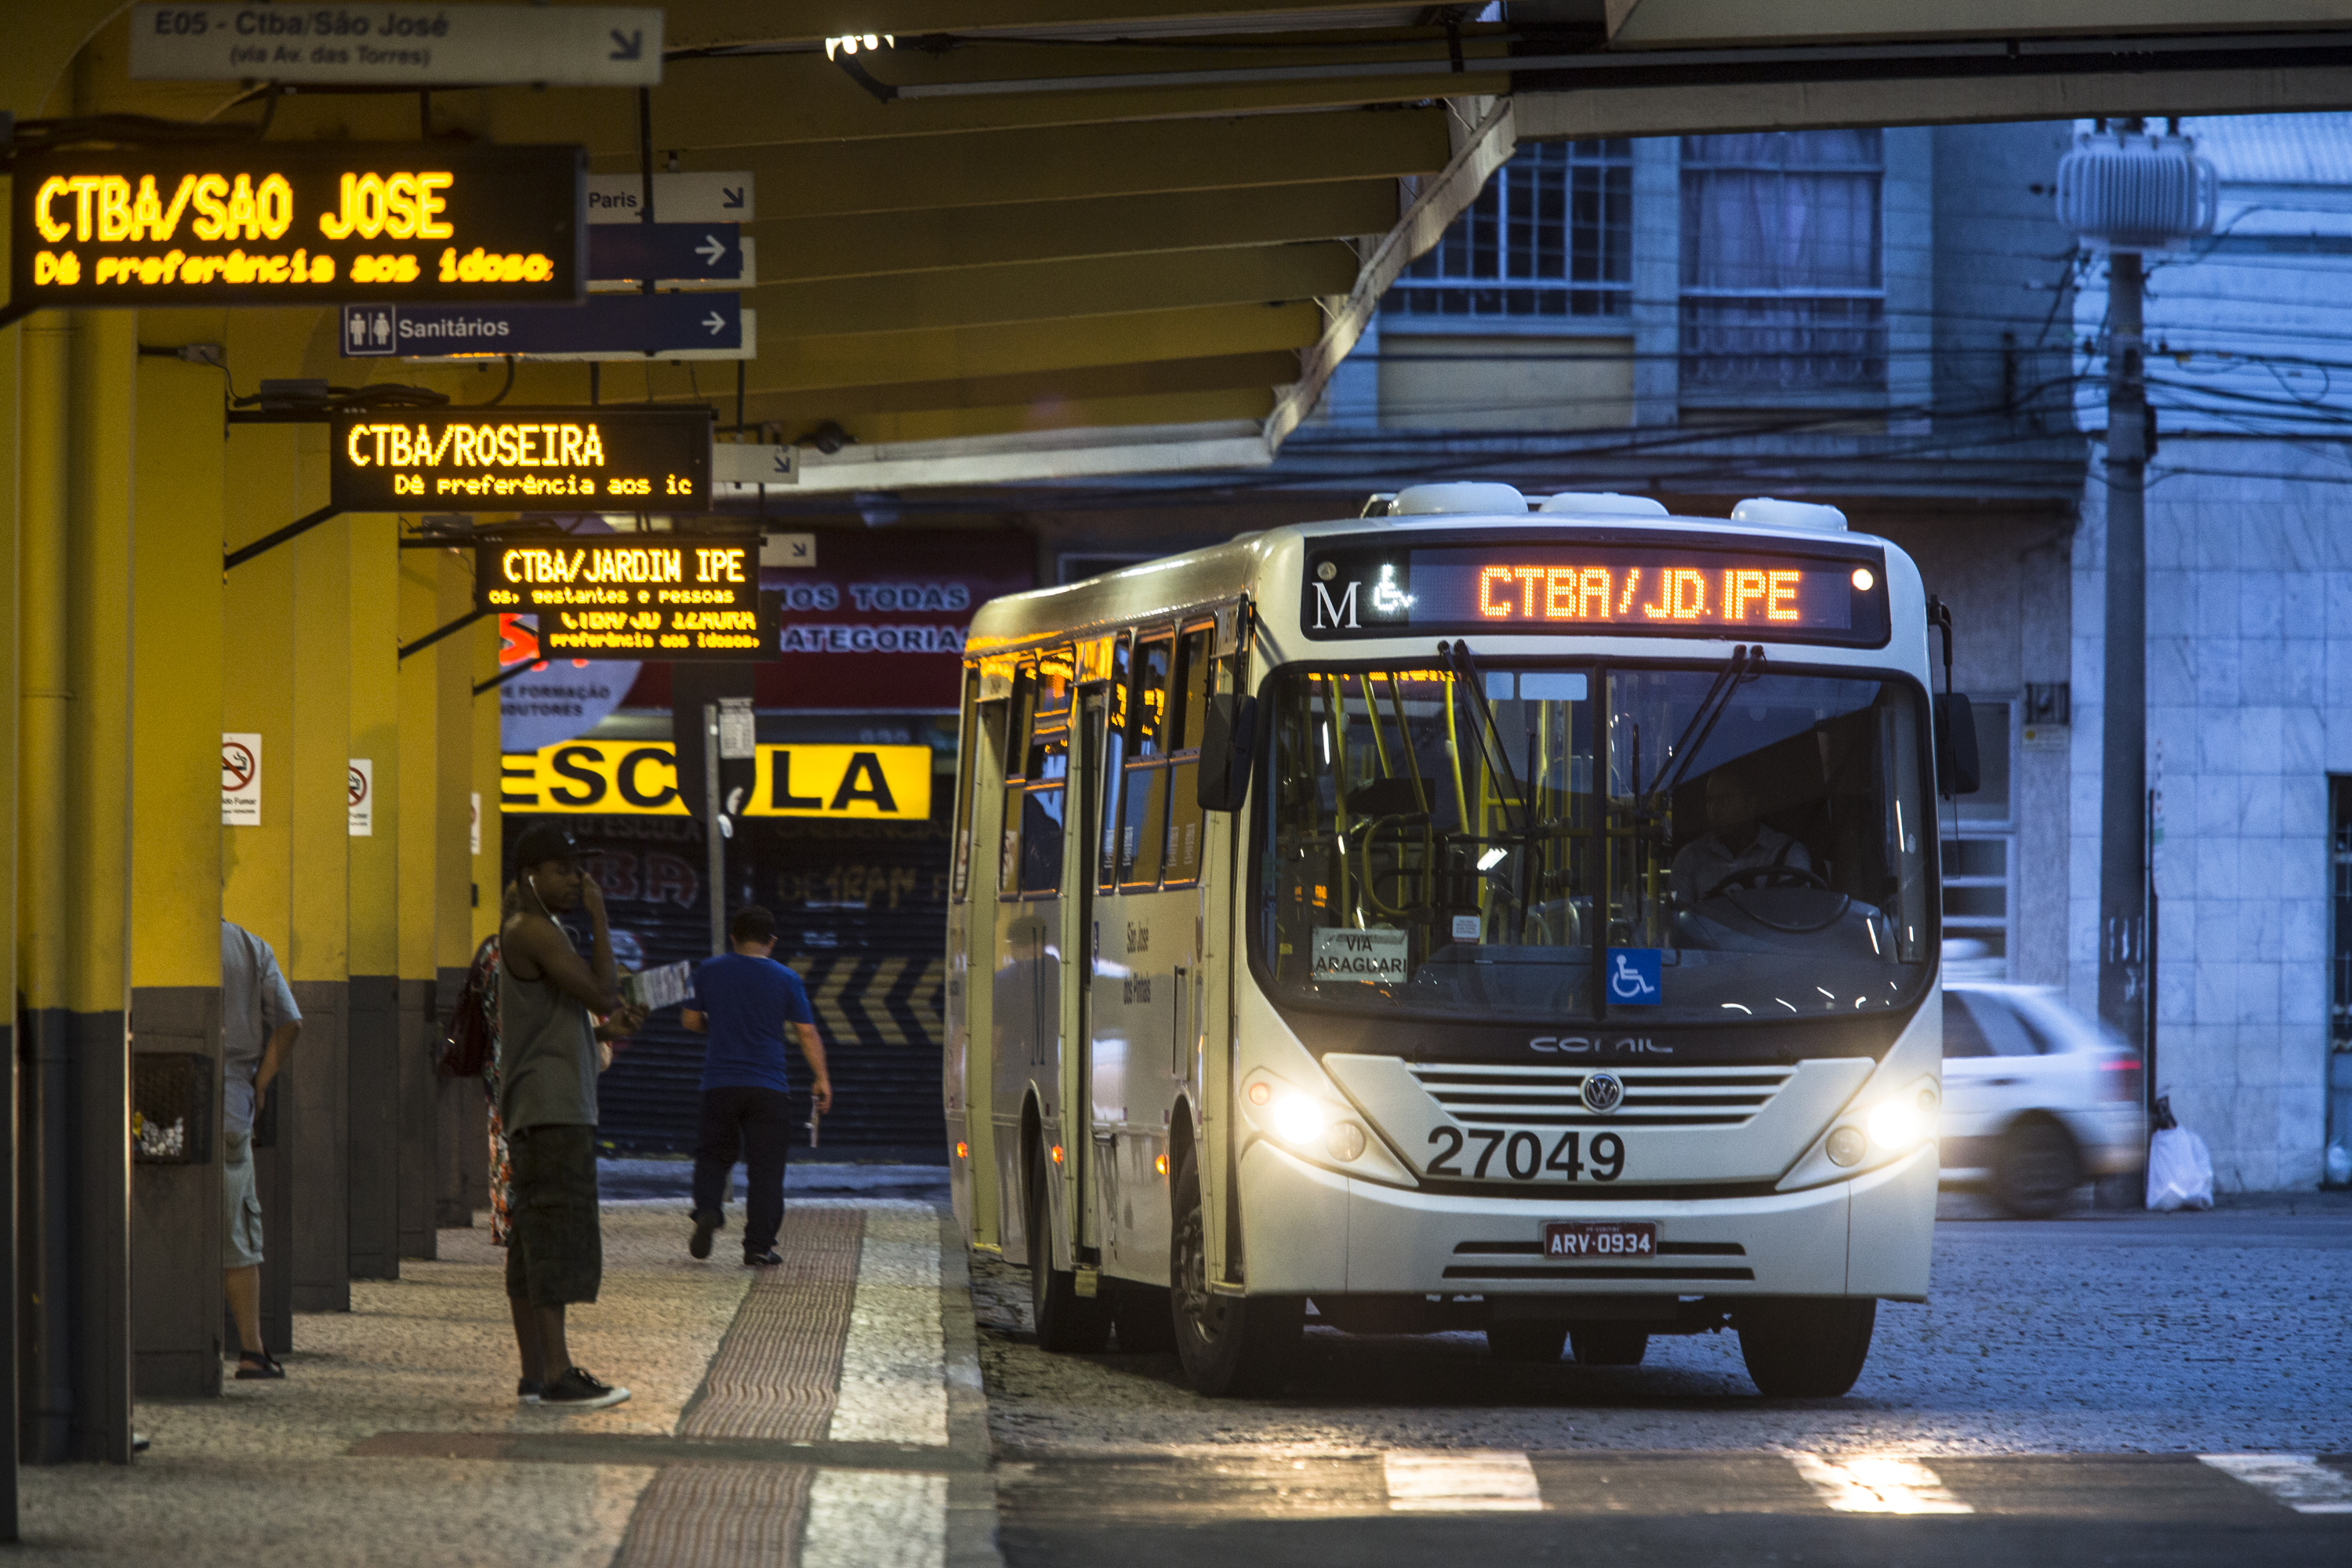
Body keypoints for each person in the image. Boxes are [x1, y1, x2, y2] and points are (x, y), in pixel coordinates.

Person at [497, 824, 643, 1410]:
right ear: (529, 874)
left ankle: (535, 1372)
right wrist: (602, 918)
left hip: (545, 1102)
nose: (577, 881)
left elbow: (568, 1015)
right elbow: (603, 991)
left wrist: (606, 1033)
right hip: (553, 1108)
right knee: (555, 1236)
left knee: (532, 1241)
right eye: (564, 870)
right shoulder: (533, 930)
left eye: (579, 870)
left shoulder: (538, 929)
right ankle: (558, 1374)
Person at [682, 905, 833, 1267]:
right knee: (766, 1168)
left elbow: (689, 1021)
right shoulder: (787, 978)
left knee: (712, 1155)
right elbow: (807, 1033)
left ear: (734, 937)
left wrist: (717, 1027)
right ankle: (758, 1246)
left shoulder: (707, 970)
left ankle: (708, 1210)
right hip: (769, 1087)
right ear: (772, 941)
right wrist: (822, 1078)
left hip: (719, 1084)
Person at [220, 920, 302, 1381]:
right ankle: (252, 1350)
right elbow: (290, 1023)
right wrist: (261, 1082)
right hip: (233, 1104)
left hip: (157, 1106)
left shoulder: (152, 934)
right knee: (237, 1233)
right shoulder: (251, 947)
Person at [1669, 768, 1813, 906]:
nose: (1713, 810)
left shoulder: (1787, 853)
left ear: (1751, 804)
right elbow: (1680, 921)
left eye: (1724, 800)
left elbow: (1794, 917)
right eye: (1710, 801)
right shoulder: (1690, 858)